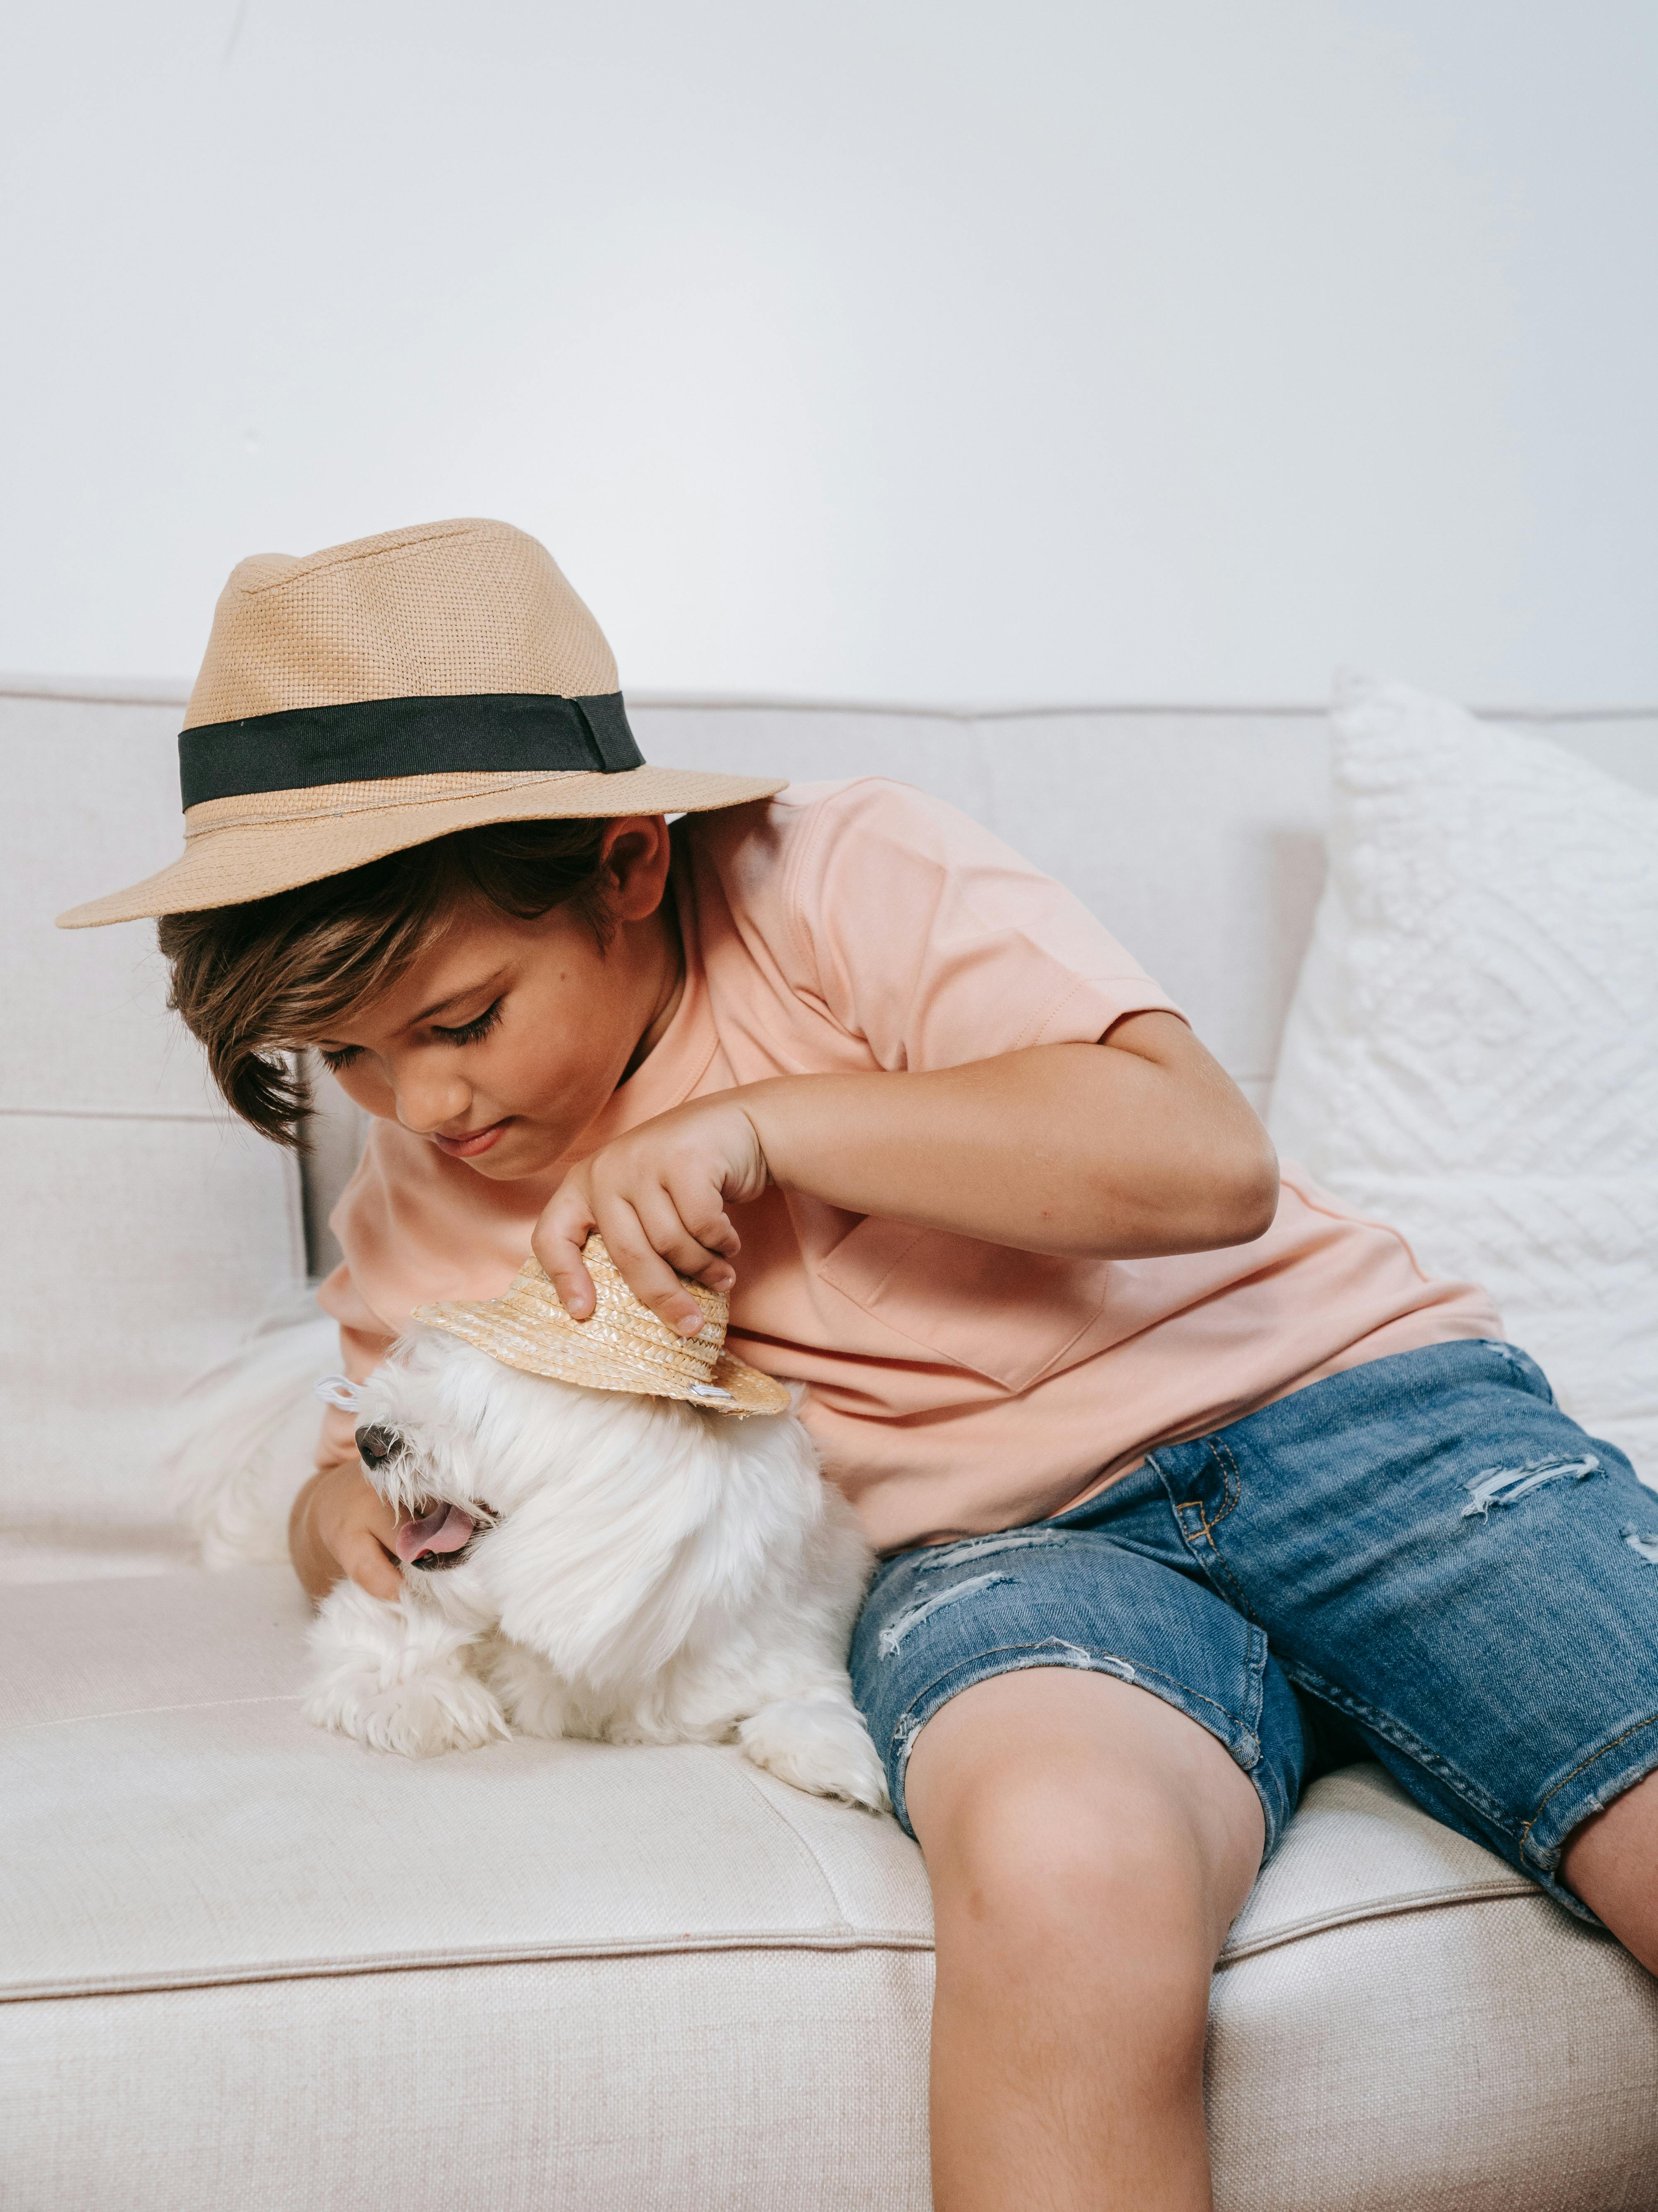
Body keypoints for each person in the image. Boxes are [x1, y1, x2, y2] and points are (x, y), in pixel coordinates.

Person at [62, 517, 1658, 2212]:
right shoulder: (423, 1195)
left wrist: (766, 1129)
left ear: (626, 866)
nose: (427, 1102)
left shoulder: (836, 879)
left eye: (461, 1022)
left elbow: (1202, 1163)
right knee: (1058, 1864)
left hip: (1358, 1423)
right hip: (998, 1560)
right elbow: (364, 1467)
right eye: (350, 1056)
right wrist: (347, 1529)